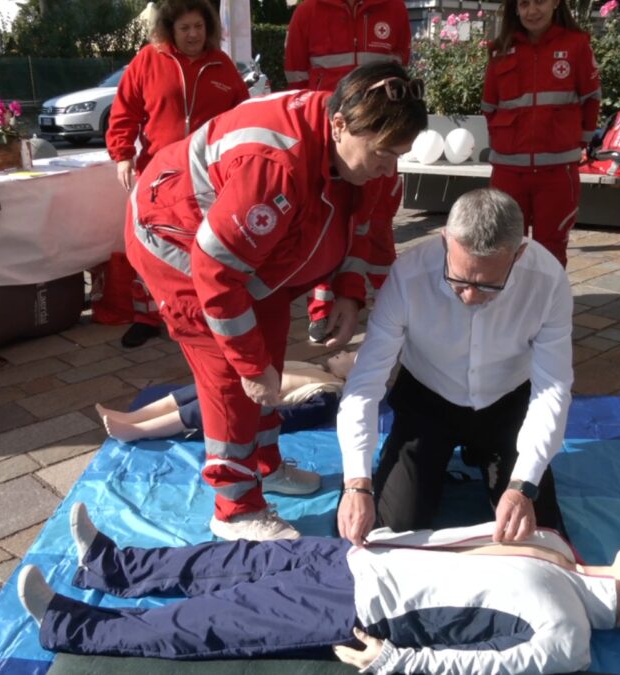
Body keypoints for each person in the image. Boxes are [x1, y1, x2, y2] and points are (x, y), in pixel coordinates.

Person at [124, 62, 428, 541]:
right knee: (230, 374)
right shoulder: (275, 163)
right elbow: (216, 272)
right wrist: (248, 366)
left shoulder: (372, 159)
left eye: (400, 155)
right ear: (340, 125)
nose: (391, 168)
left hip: (246, 254)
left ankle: (263, 464)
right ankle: (235, 507)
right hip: (177, 240)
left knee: (270, 355)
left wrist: (344, 293)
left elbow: (364, 228)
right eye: (383, 155)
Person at [16, 503, 620, 672]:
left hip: (359, 605)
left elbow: (488, 667)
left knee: (213, 618)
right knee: (221, 561)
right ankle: (112, 566)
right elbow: (459, 540)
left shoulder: (569, 635)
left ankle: (70, 625)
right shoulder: (557, 547)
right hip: (360, 556)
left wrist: (398, 660)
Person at [337, 188, 573, 547]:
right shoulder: (408, 275)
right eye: (459, 280)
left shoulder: (548, 280)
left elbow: (552, 388)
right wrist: (356, 481)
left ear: (519, 253)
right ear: (445, 240)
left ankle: (487, 456)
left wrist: (523, 484)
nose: (470, 297)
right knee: (394, 527)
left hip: (506, 402)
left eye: (490, 285)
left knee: (536, 533)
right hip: (428, 399)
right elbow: (366, 381)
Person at [104, 0, 251, 349]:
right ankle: (146, 317)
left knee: (207, 246)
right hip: (158, 174)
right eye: (184, 28)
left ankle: (205, 312)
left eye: (199, 27)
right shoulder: (148, 60)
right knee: (152, 247)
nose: (193, 35)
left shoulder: (221, 64)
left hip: (208, 176)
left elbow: (242, 116)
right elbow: (124, 111)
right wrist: (123, 155)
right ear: (171, 30)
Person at [283, 0, 412, 344]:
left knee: (380, 223)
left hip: (381, 140)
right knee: (326, 223)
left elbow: (402, 74)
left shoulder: (394, 9)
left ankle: (385, 305)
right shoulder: (308, 11)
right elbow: (295, 80)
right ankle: (322, 310)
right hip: (330, 145)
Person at [482, 0, 600, 268]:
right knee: (504, 247)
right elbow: (489, 107)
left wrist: (575, 142)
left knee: (552, 249)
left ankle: (547, 309)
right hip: (508, 173)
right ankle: (508, 308)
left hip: (557, 173)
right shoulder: (500, 50)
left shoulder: (577, 45)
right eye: (523, 4)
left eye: (539, 2)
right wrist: (505, 144)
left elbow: (591, 99)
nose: (531, 11)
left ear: (555, 3)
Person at [94, 352, 357, 441]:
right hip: (248, 382)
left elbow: (295, 416)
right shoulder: (315, 368)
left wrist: (264, 421)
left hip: (255, 403)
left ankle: (138, 430)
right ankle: (132, 416)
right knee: (200, 387)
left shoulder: (329, 393)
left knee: (205, 407)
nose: (342, 352)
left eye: (350, 356)